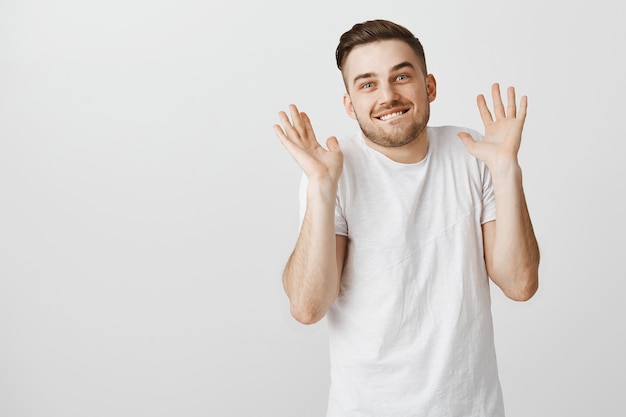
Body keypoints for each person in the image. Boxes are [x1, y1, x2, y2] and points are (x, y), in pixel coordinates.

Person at [273, 19, 540, 417]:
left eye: (401, 76)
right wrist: (320, 188)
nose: (388, 95)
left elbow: (520, 284)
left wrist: (506, 170)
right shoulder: (331, 170)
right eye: (367, 84)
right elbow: (308, 308)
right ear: (350, 104)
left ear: (429, 86)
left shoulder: (474, 154)